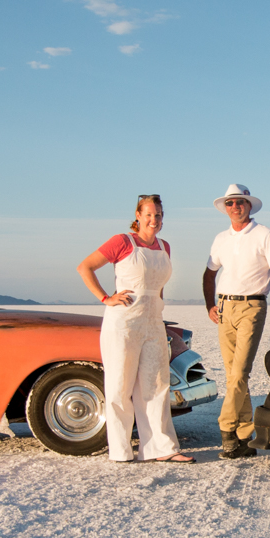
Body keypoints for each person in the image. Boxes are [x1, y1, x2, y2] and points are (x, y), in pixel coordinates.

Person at [77, 195, 194, 463]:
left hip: (153, 321)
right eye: (149, 214)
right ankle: (121, 451)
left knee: (156, 385)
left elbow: (158, 285)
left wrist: (158, 308)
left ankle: (162, 449)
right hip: (124, 323)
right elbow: (85, 267)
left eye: (159, 215)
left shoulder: (165, 246)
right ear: (138, 216)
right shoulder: (122, 241)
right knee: (120, 385)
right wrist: (106, 298)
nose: (155, 220)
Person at [201, 183, 270, 459]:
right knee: (233, 377)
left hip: (252, 307)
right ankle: (244, 437)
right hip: (225, 308)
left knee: (239, 373)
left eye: (240, 202)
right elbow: (208, 274)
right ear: (225, 208)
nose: (235, 207)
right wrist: (209, 305)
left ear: (249, 205)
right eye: (230, 203)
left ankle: (227, 431)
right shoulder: (220, 238)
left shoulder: (265, 234)